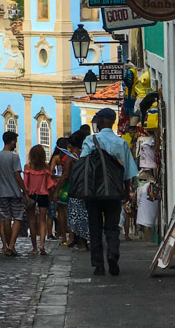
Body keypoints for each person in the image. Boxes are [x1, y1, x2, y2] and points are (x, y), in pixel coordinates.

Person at [80, 108, 138, 276]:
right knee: (112, 226)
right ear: (112, 122)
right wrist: (126, 192)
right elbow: (128, 172)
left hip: (93, 191)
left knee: (95, 226)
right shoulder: (121, 143)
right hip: (114, 190)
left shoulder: (90, 141)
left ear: (101, 121)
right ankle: (112, 254)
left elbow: (84, 165)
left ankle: (98, 264)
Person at [0, 130, 29, 256]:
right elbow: (18, 176)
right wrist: (25, 192)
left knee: (4, 219)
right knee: (18, 218)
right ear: (12, 141)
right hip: (14, 193)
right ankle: (12, 245)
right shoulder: (14, 157)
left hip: (1, 192)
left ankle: (5, 245)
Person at [56, 127, 91, 250]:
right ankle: (84, 241)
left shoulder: (70, 157)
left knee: (75, 217)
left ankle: (80, 243)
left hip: (75, 190)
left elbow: (65, 175)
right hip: (88, 190)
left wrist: (56, 191)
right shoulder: (87, 155)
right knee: (85, 216)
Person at [23, 143, 53, 255]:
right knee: (42, 220)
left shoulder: (28, 167)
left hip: (31, 194)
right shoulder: (46, 168)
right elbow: (49, 184)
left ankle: (34, 247)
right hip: (43, 194)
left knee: (31, 220)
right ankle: (42, 245)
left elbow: (25, 184)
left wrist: (25, 194)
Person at [49, 138, 72, 246]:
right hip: (70, 184)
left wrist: (56, 178)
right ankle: (71, 235)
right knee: (70, 212)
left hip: (59, 184)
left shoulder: (56, 158)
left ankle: (63, 236)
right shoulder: (71, 157)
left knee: (61, 212)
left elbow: (50, 171)